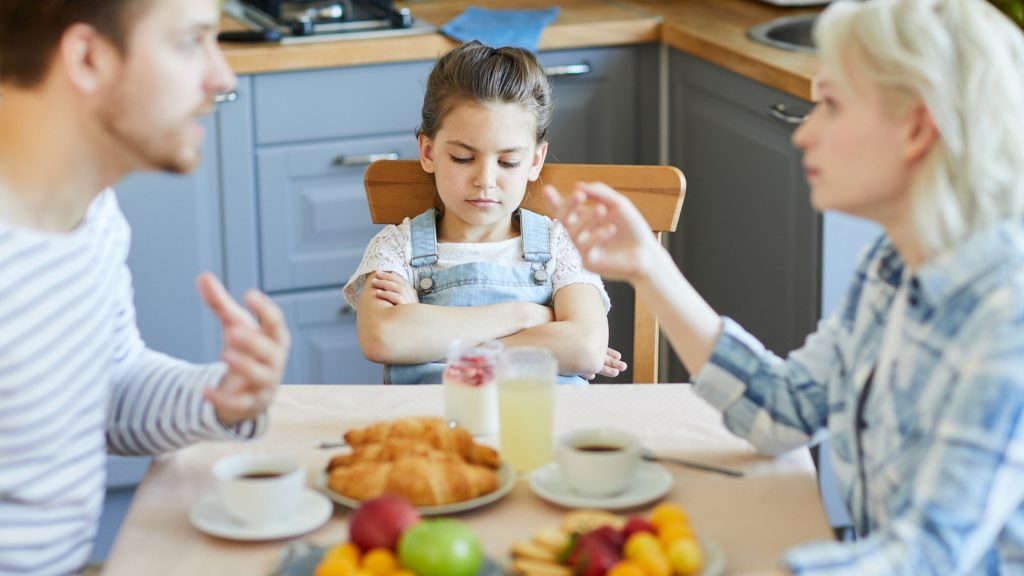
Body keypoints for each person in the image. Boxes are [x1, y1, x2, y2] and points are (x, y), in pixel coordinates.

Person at [546, 0, 1024, 573]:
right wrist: (649, 266)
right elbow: (786, 409)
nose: (806, 134)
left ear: (917, 127)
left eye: (831, 105)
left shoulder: (1006, 321)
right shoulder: (892, 265)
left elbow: (924, 560)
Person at [0, 0, 291, 573]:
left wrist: (223, 396)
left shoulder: (95, 214)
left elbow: (111, 387)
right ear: (88, 57)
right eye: (191, 41)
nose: (222, 76)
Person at [343, 41, 624, 385]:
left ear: (535, 161)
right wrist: (529, 316)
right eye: (463, 158)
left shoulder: (558, 245)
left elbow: (585, 348)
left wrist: (430, 333)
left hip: (543, 431)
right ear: (428, 151)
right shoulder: (397, 248)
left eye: (508, 162)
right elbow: (384, 338)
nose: (485, 181)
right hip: (437, 431)